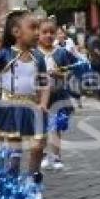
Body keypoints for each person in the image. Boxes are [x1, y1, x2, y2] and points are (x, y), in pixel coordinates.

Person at [0, 9, 49, 177]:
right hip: (10, 106)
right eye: (33, 28)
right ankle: (11, 180)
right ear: (16, 32)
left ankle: (33, 178)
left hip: (33, 107)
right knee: (14, 148)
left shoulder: (39, 57)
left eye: (39, 28)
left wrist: (43, 103)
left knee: (38, 145)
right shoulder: (4, 54)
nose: (38, 33)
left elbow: (44, 84)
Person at [38, 18, 72, 171]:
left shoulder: (61, 52)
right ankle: (43, 155)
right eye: (44, 32)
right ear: (38, 34)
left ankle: (57, 156)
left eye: (52, 32)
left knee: (57, 126)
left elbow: (68, 73)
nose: (48, 35)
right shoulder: (34, 53)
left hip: (58, 95)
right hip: (39, 97)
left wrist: (59, 74)